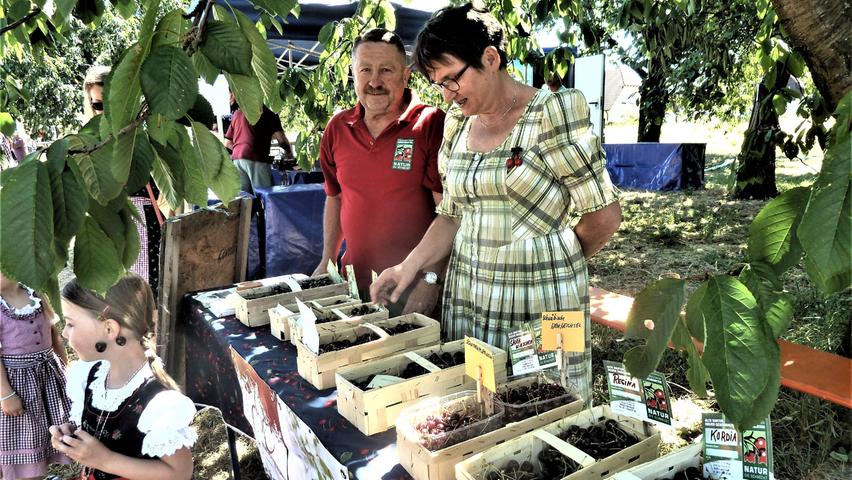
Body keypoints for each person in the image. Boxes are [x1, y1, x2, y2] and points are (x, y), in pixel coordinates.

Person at [371, 4, 621, 401]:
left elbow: (604, 216)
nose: (447, 94)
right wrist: (409, 267)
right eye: (438, 84)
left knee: (545, 408)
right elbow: (451, 216)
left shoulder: (551, 113)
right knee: (473, 408)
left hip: (541, 302)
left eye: (453, 79)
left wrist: (553, 260)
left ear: (490, 58)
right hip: (470, 294)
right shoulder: (456, 126)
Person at [313, 28, 447, 316]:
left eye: (386, 70)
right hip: (353, 290)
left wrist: (431, 280)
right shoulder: (337, 128)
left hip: (410, 291)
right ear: (353, 74)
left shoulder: (430, 123)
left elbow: (448, 214)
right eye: (365, 70)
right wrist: (327, 261)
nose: (374, 81)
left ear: (405, 75)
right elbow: (335, 197)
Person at [50, 273, 195, 480]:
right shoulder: (90, 375)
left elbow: (180, 473)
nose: (64, 333)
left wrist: (105, 460)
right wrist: (74, 437)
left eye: (71, 324)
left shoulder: (157, 402)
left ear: (109, 329)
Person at [83, 66, 164, 300]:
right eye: (97, 105)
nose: (104, 111)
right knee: (121, 300)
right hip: (113, 223)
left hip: (147, 223)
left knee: (150, 298)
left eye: (109, 102)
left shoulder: (142, 131)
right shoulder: (89, 141)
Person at [0, 273, 70, 480]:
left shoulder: (35, 293)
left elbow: (55, 335)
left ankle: (37, 474)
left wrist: (66, 370)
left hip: (47, 377)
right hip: (16, 384)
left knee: (43, 434)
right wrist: (5, 394)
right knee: (22, 439)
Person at [224, 92, 294, 194]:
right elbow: (282, 141)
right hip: (256, 158)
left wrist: (241, 150)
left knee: (244, 200)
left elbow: (227, 143)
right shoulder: (269, 114)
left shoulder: (238, 114)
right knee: (264, 196)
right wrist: (289, 153)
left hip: (237, 160)